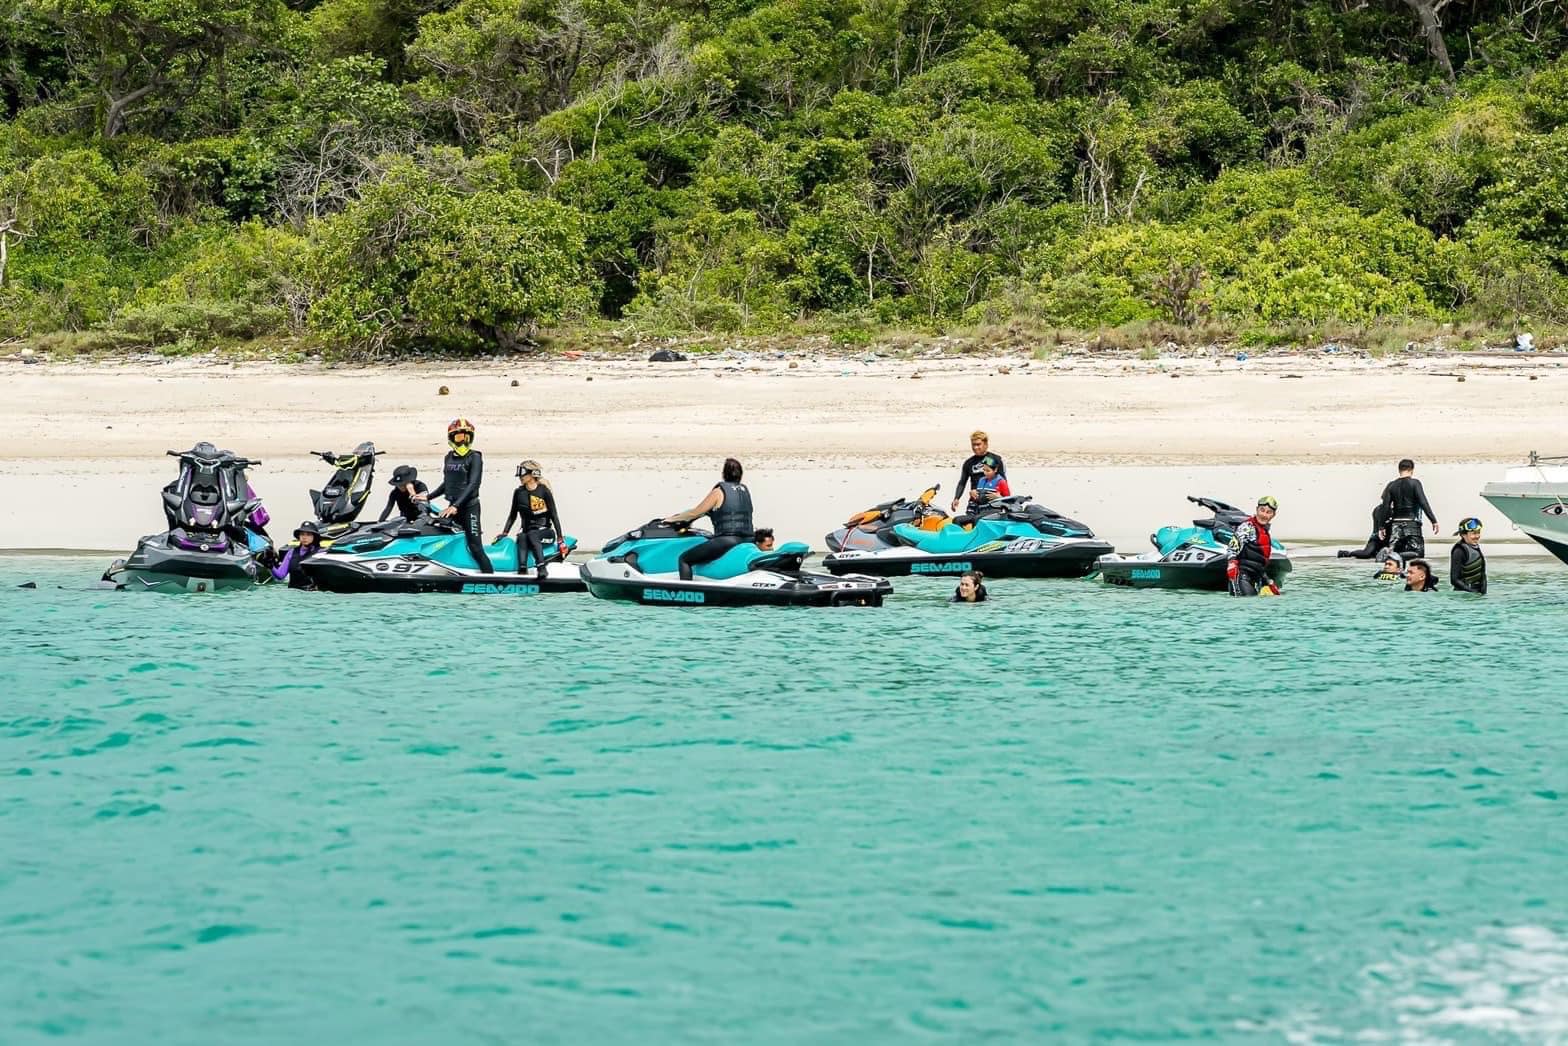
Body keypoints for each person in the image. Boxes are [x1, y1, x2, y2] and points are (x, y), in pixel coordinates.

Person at [419, 418, 492, 573]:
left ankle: (490, 577)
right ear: (451, 438)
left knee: (475, 546)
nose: (463, 441)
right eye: (459, 437)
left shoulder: (475, 457)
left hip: (469, 508)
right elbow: (447, 483)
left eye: (466, 437)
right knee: (438, 534)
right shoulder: (448, 457)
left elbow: (473, 484)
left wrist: (455, 506)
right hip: (453, 507)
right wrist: (428, 497)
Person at [665, 458, 753, 580]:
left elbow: (694, 513)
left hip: (727, 541)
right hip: (748, 539)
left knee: (684, 559)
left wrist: (671, 520)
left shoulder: (719, 492)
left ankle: (686, 593)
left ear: (723, 474)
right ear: (741, 475)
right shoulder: (745, 491)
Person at [494, 460, 564, 579]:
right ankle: (522, 569)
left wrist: (560, 539)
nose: (520, 477)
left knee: (531, 534)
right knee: (521, 536)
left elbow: (554, 515)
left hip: (545, 532)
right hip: (527, 531)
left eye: (523, 474)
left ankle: (541, 568)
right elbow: (512, 515)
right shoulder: (518, 492)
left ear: (532, 474)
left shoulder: (544, 491)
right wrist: (504, 533)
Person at [1380, 459, 1438, 559]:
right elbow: (1423, 502)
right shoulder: (1415, 483)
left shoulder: (1391, 485)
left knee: (1396, 560)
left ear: (1399, 470)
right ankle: (1390, 555)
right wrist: (1433, 520)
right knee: (1417, 554)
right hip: (1412, 524)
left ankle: (1389, 555)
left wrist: (1381, 526)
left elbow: (1386, 507)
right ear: (1412, 470)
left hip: (1396, 525)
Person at [1226, 495, 1282, 597]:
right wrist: (1231, 564)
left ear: (1273, 515)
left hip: (1255, 580)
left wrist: (1268, 581)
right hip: (1241, 578)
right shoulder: (1247, 527)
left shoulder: (1265, 532)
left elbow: (1258, 563)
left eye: (1268, 512)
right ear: (1257, 510)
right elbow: (1232, 549)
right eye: (1262, 510)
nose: (1264, 515)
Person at [951, 431, 1007, 513]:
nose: (975, 447)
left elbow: (1003, 481)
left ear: (986, 444)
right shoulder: (969, 463)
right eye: (973, 445)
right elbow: (962, 482)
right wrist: (956, 498)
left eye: (978, 444)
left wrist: (1000, 496)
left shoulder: (996, 459)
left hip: (992, 502)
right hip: (974, 501)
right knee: (969, 523)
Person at [271, 521, 324, 589]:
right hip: (293, 593)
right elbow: (280, 576)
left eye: (308, 534)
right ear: (299, 536)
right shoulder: (291, 552)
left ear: (314, 537)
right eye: (302, 534)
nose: (304, 537)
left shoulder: (320, 552)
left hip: (312, 594)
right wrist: (270, 566)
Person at [1449, 517, 1488, 594]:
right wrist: (1472, 593)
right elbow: (1454, 580)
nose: (1477, 536)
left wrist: (1483, 593)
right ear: (1463, 535)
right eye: (1473, 533)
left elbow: (1482, 575)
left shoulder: (1475, 547)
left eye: (1478, 532)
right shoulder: (1459, 551)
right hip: (1464, 595)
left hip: (1476, 593)